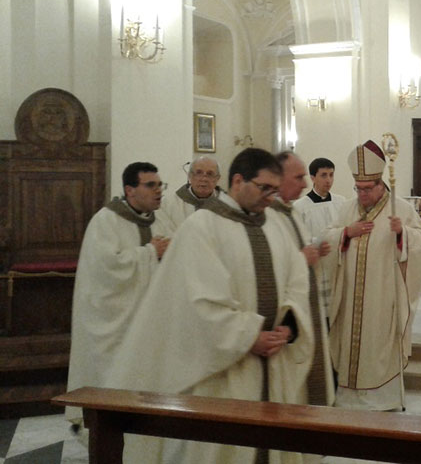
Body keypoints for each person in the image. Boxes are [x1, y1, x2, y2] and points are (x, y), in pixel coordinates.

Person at [109, 148, 314, 464]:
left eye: (275, 190)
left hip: (273, 364)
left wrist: (290, 323)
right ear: (237, 181)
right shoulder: (202, 227)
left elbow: (297, 278)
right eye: (264, 188)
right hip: (224, 370)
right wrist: (249, 336)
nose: (270, 198)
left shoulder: (275, 224)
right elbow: (197, 302)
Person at [324, 140, 421, 410]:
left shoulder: (401, 209)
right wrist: (346, 233)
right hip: (349, 299)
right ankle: (348, 398)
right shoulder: (347, 209)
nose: (362, 194)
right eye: (358, 189)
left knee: (378, 346)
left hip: (382, 298)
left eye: (367, 189)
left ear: (381, 185)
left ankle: (382, 399)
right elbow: (327, 239)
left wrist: (402, 234)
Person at [66, 162, 171, 426]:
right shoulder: (106, 221)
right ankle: (104, 430)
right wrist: (149, 253)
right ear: (130, 190)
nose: (158, 191)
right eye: (151, 185)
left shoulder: (163, 219)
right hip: (114, 320)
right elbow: (105, 270)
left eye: (160, 185)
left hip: (152, 320)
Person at [267, 151, 334, 406]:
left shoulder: (289, 212)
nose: (305, 184)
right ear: (278, 178)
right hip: (282, 322)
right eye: (298, 177)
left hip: (300, 312)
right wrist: (301, 259)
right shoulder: (269, 216)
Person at [295, 157, 346, 313]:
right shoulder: (300, 207)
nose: (328, 180)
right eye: (323, 175)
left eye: (331, 175)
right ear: (312, 178)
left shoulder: (341, 202)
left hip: (338, 267)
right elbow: (298, 240)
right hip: (316, 269)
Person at [155, 156, 221, 231]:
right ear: (190, 176)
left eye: (210, 174)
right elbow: (165, 236)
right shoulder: (168, 204)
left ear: (217, 178)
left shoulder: (227, 206)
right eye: (199, 173)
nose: (204, 179)